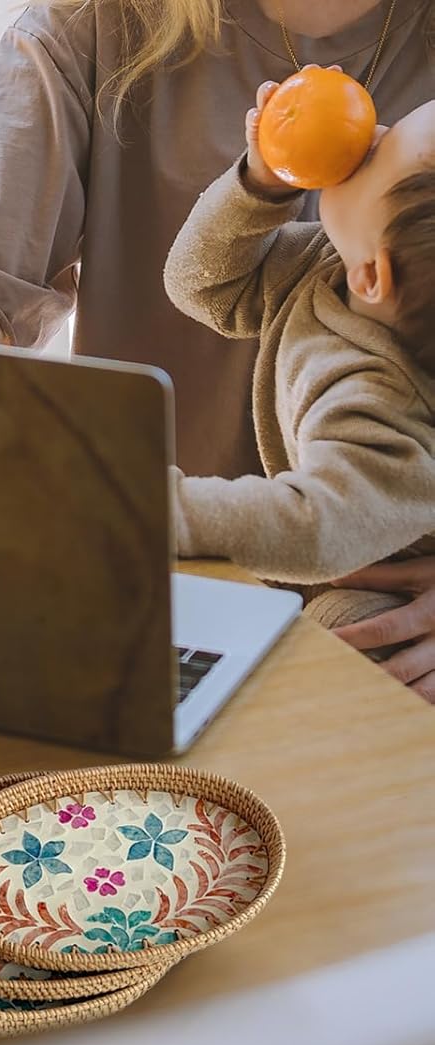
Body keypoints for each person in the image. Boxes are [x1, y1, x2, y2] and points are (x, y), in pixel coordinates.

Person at [0, 0, 435, 701]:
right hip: (148, 590)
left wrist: (133, 504)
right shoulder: (96, 24)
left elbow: (322, 520)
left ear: (374, 276)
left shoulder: (365, 404)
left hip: (360, 630)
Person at [164, 86, 435, 643]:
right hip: (338, 561)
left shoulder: (382, 405)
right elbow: (202, 284)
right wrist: (260, 186)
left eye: (381, 154)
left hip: (387, 581)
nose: (372, 134)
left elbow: (316, 526)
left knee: (350, 633)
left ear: (374, 276)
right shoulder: (327, 263)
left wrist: (163, 509)